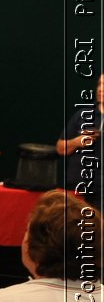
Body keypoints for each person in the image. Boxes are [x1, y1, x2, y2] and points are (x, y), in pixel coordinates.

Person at [56, 71, 101, 204]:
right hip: (76, 187)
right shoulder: (83, 115)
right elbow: (60, 148)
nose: (100, 89)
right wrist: (76, 142)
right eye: (99, 84)